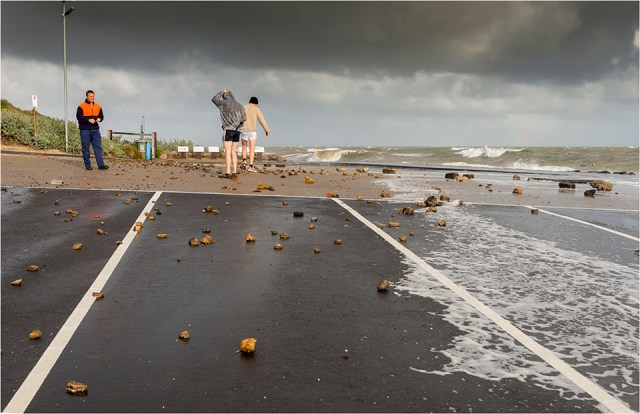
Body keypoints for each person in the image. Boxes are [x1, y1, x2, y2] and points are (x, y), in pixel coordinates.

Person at [212, 88, 246, 178]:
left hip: (228, 129)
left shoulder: (223, 103)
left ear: (224, 96)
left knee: (227, 151)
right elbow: (244, 118)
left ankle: (227, 172)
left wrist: (221, 92)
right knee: (233, 151)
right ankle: (234, 171)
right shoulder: (240, 105)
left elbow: (214, 99)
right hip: (237, 130)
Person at [76, 90, 108, 170]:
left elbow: (102, 116)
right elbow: (79, 118)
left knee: (98, 147)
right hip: (85, 130)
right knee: (86, 148)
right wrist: (88, 120)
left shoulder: (98, 106)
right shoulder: (81, 106)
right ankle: (88, 165)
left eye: (93, 96)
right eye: (90, 96)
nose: (92, 97)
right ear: (86, 97)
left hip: (95, 130)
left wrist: (99, 119)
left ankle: (100, 165)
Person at [240, 97, 270, 172]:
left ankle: (244, 162)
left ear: (249, 101)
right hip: (252, 131)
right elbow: (261, 120)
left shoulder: (243, 107)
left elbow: (238, 118)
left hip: (244, 130)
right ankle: (251, 166)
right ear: (256, 103)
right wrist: (266, 130)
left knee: (244, 146)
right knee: (252, 148)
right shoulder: (256, 109)